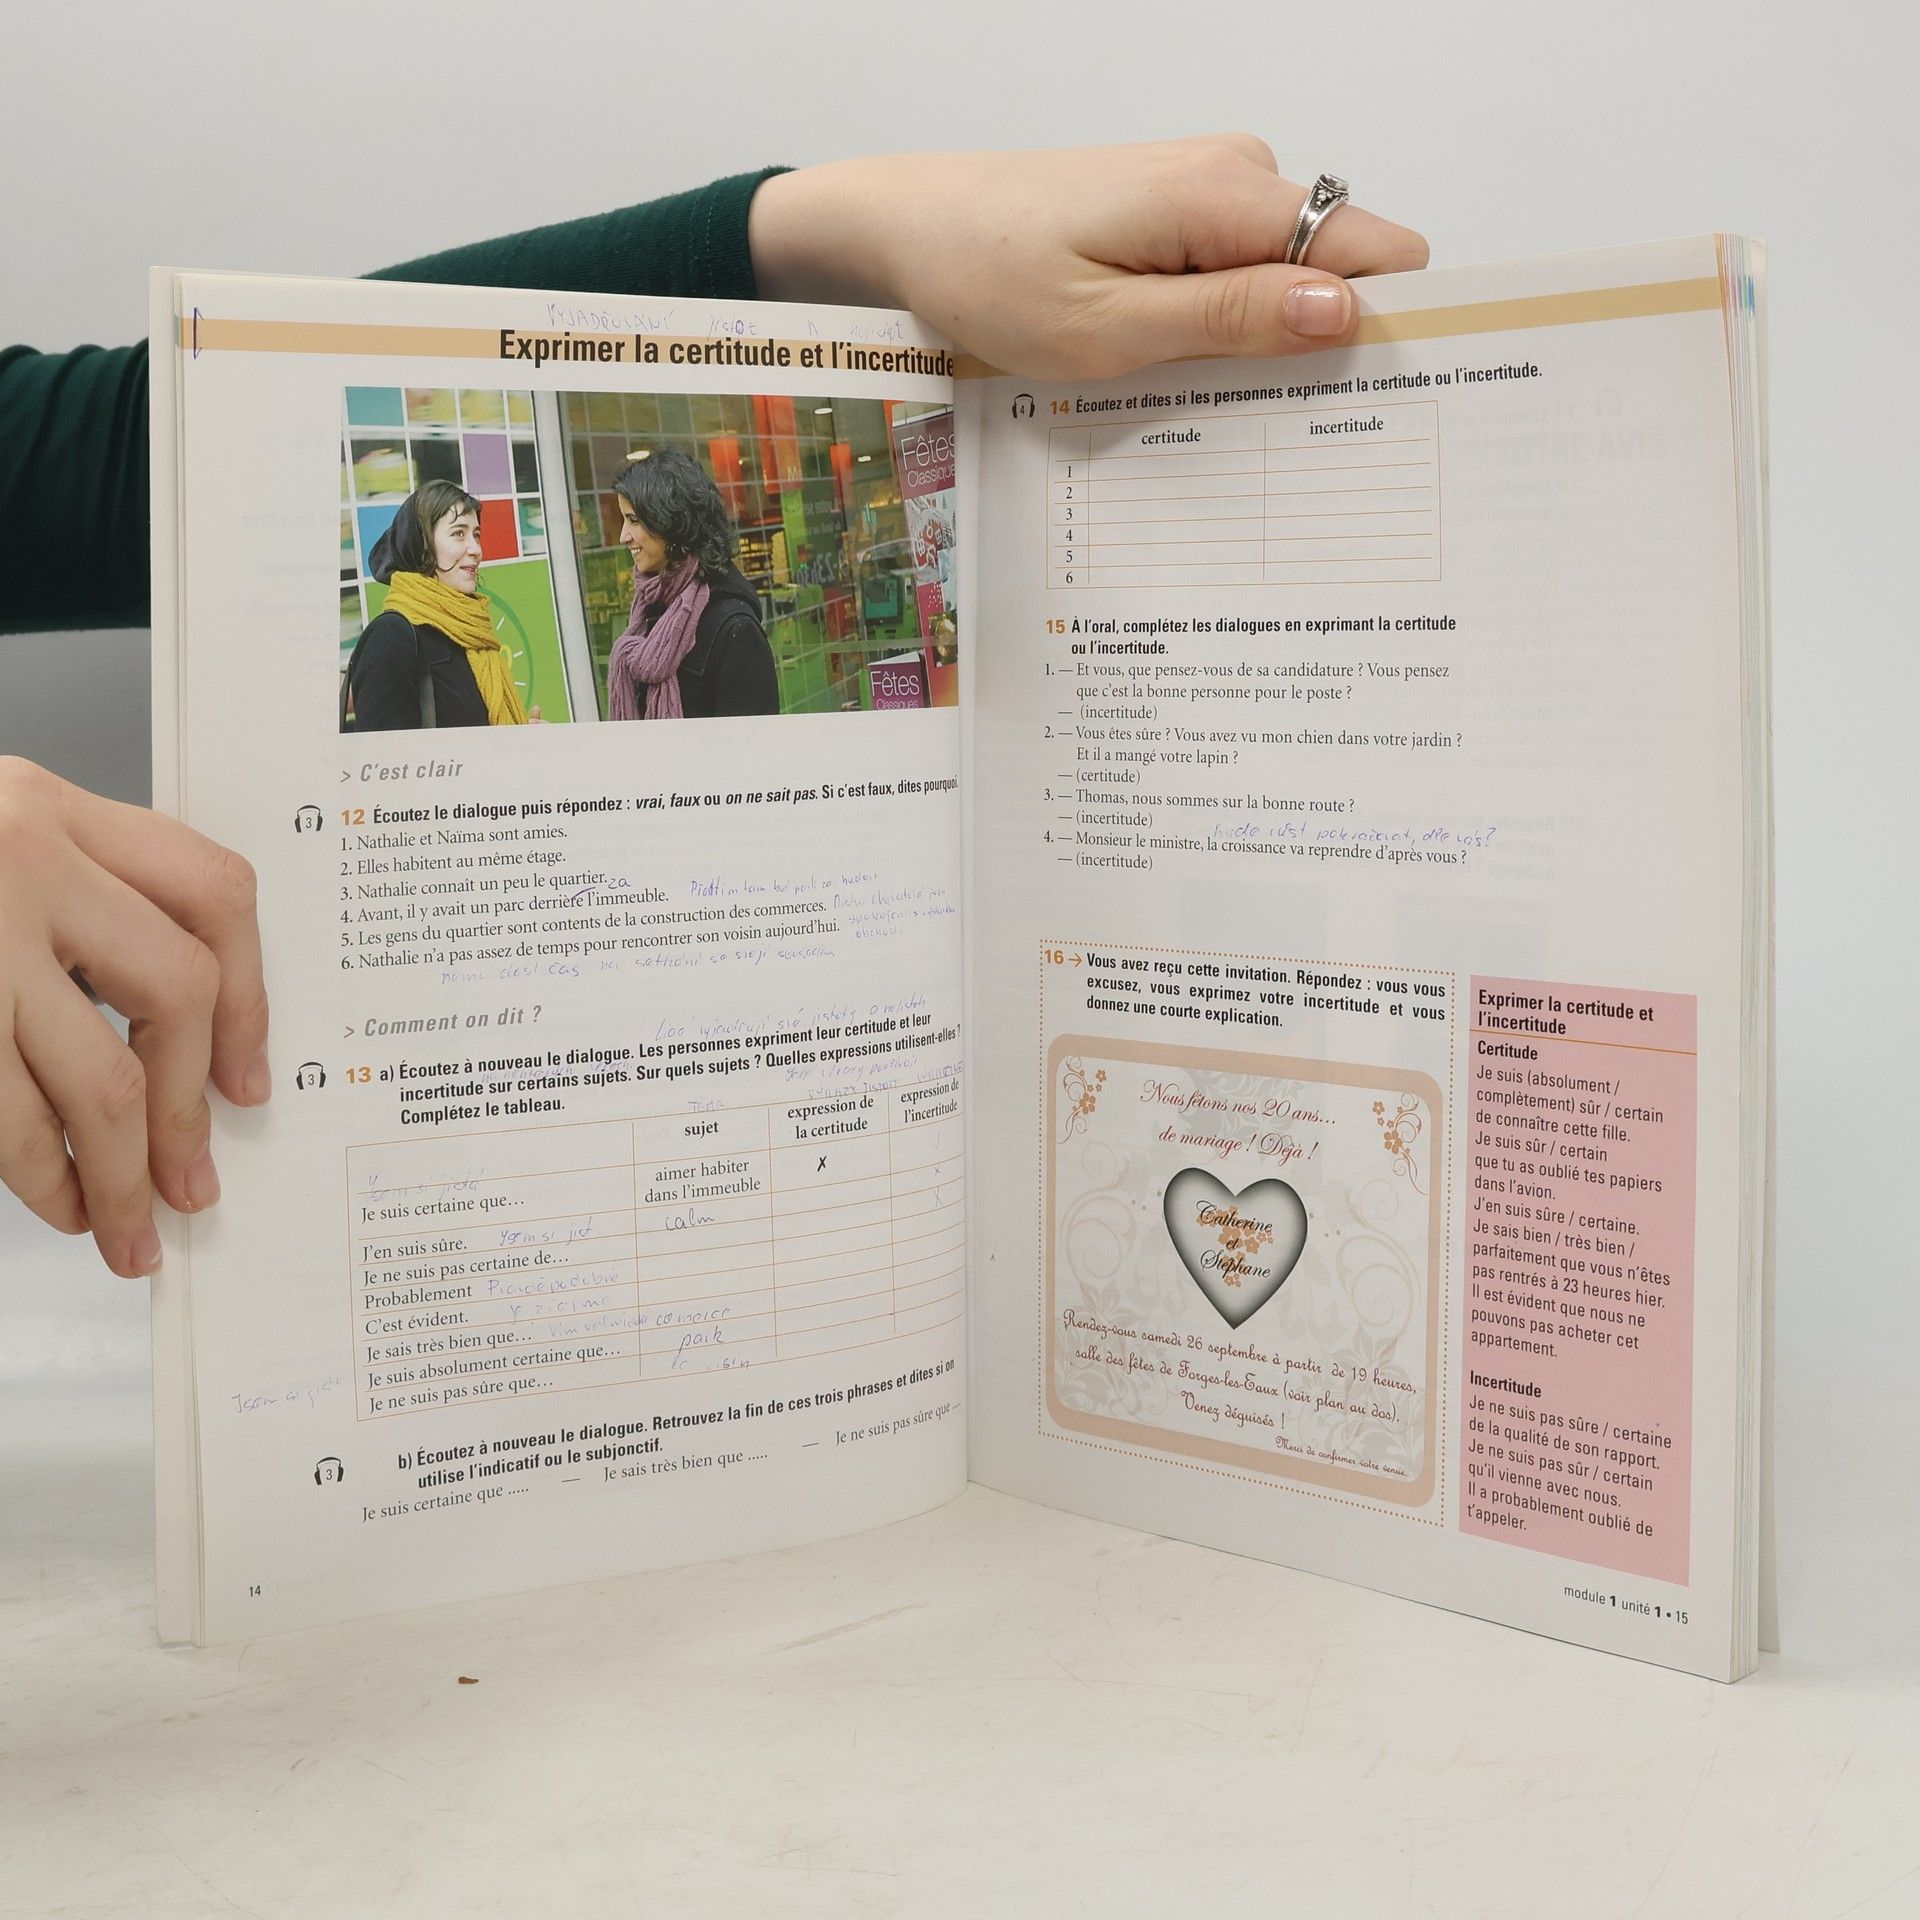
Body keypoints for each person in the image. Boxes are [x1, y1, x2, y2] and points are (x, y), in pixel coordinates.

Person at [0, 139, 1429, 1279]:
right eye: (460, 536)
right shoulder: (482, 640)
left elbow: (120, 446)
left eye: (626, 525)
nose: (600, 541)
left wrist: (853, 222)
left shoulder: (714, 628)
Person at [343, 481, 532, 731]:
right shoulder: (391, 636)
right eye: (458, 533)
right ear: (421, 543)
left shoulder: (472, 630)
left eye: (476, 535)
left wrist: (522, 736)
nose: (476, 549)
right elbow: (384, 753)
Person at [607, 450, 778, 721]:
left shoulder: (735, 628)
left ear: (671, 522)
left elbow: (753, 742)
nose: (623, 536)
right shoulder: (650, 607)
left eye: (634, 520)